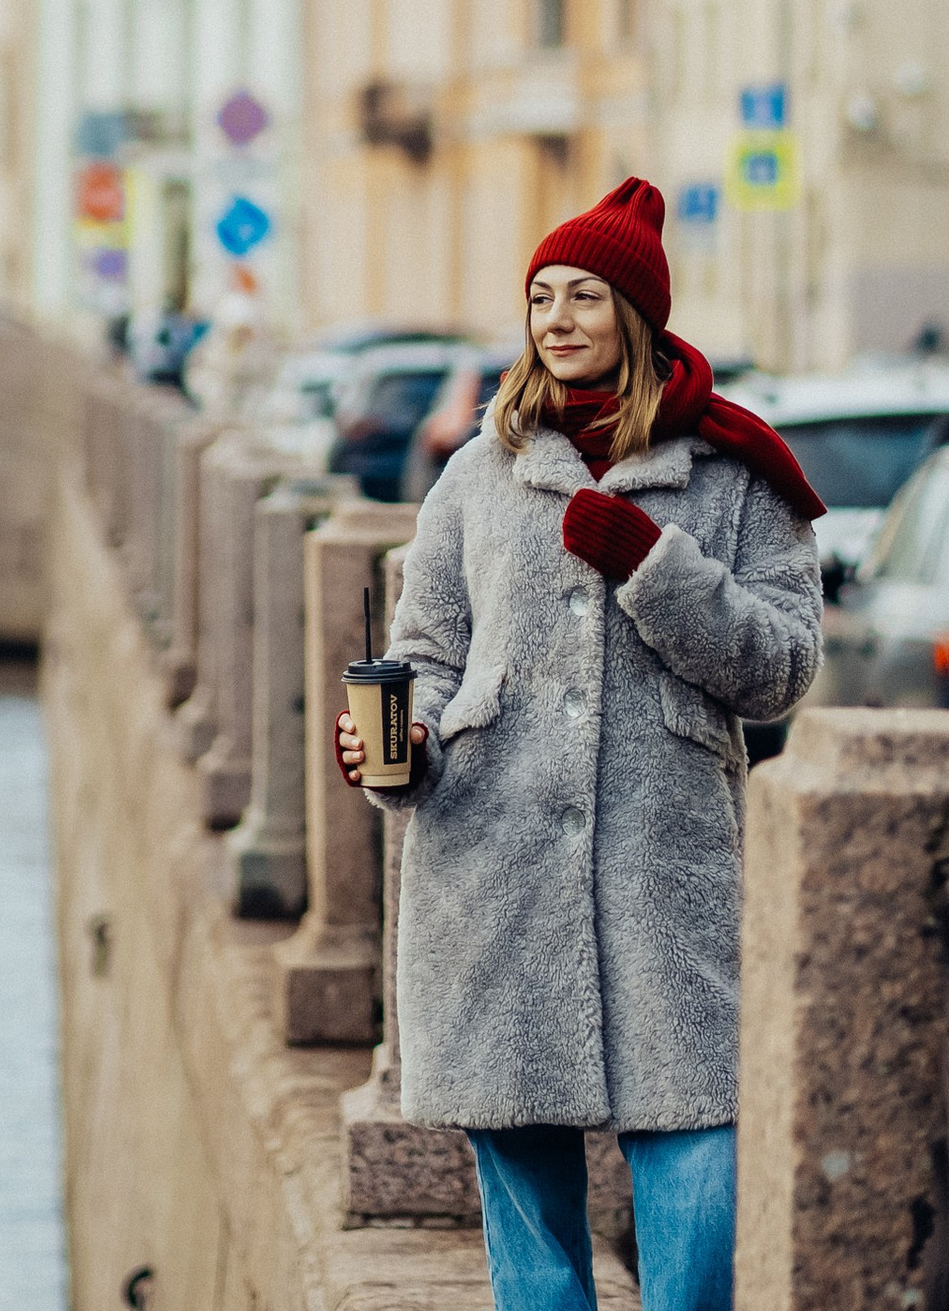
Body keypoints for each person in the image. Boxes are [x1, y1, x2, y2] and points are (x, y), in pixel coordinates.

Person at [333, 178, 825, 1311]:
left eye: (585, 296)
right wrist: (396, 741)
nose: (556, 319)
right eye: (540, 296)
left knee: (697, 1170)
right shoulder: (479, 471)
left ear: (637, 316)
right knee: (529, 1229)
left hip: (668, 873)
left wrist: (655, 565)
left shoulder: (739, 477)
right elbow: (429, 648)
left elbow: (782, 669)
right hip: (489, 863)